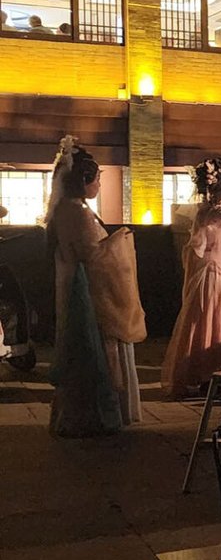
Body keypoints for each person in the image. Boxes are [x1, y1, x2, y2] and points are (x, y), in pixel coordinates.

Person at [46, 136, 146, 435]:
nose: (100, 184)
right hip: (88, 295)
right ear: (83, 181)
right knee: (93, 354)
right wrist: (119, 240)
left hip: (78, 288)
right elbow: (94, 255)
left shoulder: (65, 210)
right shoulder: (77, 213)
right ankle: (96, 417)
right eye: (97, 179)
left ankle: (80, 416)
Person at [162, 157, 221, 398]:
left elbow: (198, 246)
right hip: (217, 273)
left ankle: (216, 374)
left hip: (217, 270)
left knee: (216, 321)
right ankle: (214, 374)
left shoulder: (210, 212)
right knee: (218, 321)